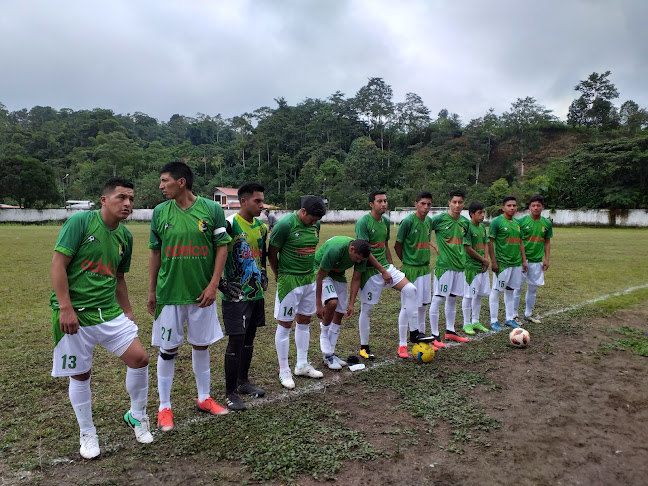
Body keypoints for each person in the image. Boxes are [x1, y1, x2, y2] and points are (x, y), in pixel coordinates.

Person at [50, 176, 153, 459]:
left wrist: (128, 311)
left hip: (108, 312)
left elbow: (118, 277)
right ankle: (88, 432)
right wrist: (65, 308)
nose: (128, 204)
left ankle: (137, 416)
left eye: (131, 199)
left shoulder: (126, 236)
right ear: (104, 200)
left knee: (140, 359)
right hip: (76, 312)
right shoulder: (81, 222)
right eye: (122, 197)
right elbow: (58, 264)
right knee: (81, 374)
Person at [148, 161, 240, 432]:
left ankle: (204, 398)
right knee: (168, 350)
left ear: (181, 182)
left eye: (165, 180)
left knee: (201, 346)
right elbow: (155, 252)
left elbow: (221, 248)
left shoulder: (211, 208)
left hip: (202, 294)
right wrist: (152, 290)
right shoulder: (159, 212)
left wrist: (213, 285)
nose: (161, 186)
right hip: (169, 294)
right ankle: (164, 406)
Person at [351, 190, 432, 361]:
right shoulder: (363, 223)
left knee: (410, 289)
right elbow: (365, 251)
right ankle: (364, 347)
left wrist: (391, 266)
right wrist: (383, 270)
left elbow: (385, 246)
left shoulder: (386, 222)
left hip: (385, 267)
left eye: (385, 201)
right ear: (371, 204)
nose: (384, 204)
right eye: (380, 201)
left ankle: (414, 333)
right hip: (370, 271)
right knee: (367, 309)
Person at [269, 196, 327, 389]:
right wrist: (279, 274)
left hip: (309, 279)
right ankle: (284, 370)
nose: (314, 223)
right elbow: (272, 253)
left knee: (304, 321)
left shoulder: (315, 225)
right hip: (289, 281)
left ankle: (302, 364)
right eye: (312, 219)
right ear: (303, 212)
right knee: (285, 324)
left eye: (317, 220)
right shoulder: (285, 225)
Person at [221, 182, 269, 411]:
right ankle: (230, 392)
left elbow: (262, 253)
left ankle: (243, 382)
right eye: (257, 201)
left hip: (255, 292)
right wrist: (222, 285)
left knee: (249, 338)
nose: (262, 205)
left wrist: (265, 275)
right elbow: (214, 255)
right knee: (236, 339)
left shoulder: (261, 227)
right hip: (234, 294)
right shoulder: (229, 225)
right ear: (243, 201)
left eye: (262, 201)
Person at [315, 237, 379, 369]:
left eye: (361, 260)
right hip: (321, 271)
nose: (359, 261)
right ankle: (324, 333)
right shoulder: (335, 249)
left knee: (340, 312)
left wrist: (351, 304)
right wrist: (318, 305)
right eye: (357, 258)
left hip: (338, 274)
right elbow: (319, 276)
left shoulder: (361, 255)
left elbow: (356, 279)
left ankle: (330, 355)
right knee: (332, 303)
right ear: (351, 249)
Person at [394, 191, 439, 358]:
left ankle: (422, 339)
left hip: (425, 268)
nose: (426, 207)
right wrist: (405, 262)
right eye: (423, 204)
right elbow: (397, 245)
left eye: (428, 204)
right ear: (416, 204)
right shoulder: (407, 222)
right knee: (407, 308)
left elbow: (424, 238)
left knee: (422, 306)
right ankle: (402, 345)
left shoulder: (428, 221)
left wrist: (433, 246)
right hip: (411, 269)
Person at [428, 189, 471, 346]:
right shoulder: (439, 219)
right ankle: (434, 334)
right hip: (444, 266)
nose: (457, 205)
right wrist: (434, 245)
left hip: (459, 267)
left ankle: (450, 331)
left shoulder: (465, 222)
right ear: (449, 203)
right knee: (438, 298)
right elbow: (424, 232)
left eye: (460, 202)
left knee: (453, 298)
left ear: (463, 204)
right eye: (454, 202)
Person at [487, 196, 528, 330]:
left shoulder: (517, 223)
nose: (512, 208)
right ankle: (494, 320)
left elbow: (521, 242)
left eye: (514, 205)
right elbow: (490, 242)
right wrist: (493, 261)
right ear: (503, 207)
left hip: (516, 263)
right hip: (502, 263)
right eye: (509, 205)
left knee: (510, 290)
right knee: (497, 290)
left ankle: (509, 318)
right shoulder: (496, 222)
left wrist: (523, 260)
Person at [512, 195, 553, 324]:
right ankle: (514, 315)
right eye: (533, 206)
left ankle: (528, 314)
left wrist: (546, 259)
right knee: (517, 288)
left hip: (537, 261)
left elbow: (547, 242)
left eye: (538, 206)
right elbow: (516, 241)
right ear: (529, 207)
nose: (536, 208)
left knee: (533, 288)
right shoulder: (521, 221)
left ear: (542, 207)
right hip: (521, 261)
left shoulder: (546, 223)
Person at [461, 201, 492, 335]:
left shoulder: (482, 227)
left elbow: (485, 243)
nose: (482, 215)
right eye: (480, 213)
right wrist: (483, 260)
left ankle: (475, 321)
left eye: (484, 212)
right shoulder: (468, 227)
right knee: (468, 296)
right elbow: (467, 248)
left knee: (478, 295)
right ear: (472, 214)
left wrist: (486, 260)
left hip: (481, 267)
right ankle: (466, 323)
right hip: (471, 268)